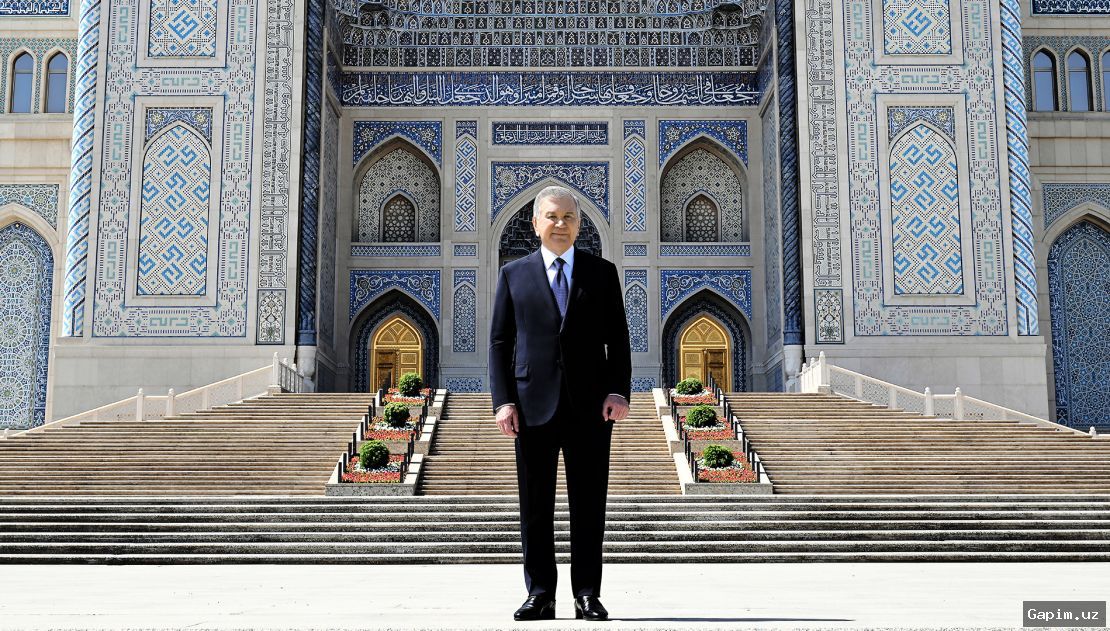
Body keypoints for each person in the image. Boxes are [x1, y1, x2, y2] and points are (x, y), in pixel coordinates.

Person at [488, 185, 632, 622]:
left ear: (579, 224)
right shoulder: (514, 274)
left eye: (568, 217)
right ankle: (540, 594)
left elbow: (618, 339)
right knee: (535, 507)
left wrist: (618, 391)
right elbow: (500, 343)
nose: (560, 224)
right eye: (551, 216)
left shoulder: (601, 273)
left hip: (590, 406)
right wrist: (503, 401)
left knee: (589, 505)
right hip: (532, 406)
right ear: (535, 224)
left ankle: (587, 593)